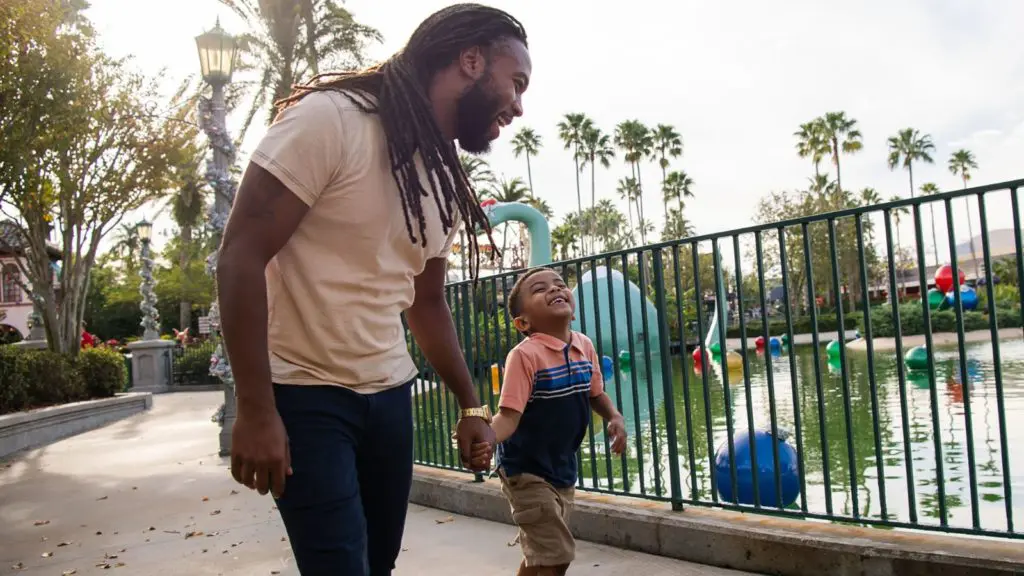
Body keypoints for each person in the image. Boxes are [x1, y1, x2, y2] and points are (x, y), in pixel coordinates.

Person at [215, 5, 531, 575]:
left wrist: (469, 405)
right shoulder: (329, 120)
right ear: (470, 60)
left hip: (389, 398)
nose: (519, 103)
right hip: (305, 395)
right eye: (516, 82)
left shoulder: (441, 177)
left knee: (376, 566)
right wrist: (256, 409)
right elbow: (240, 252)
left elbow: (427, 303)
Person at [487, 267, 627, 576]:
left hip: (561, 467)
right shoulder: (525, 356)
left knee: (542, 550)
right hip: (525, 469)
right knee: (558, 554)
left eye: (560, 284)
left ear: (572, 311)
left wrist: (614, 416)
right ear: (523, 322)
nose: (554, 289)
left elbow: (595, 394)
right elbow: (509, 417)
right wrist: (486, 438)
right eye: (540, 289)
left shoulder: (584, 346)